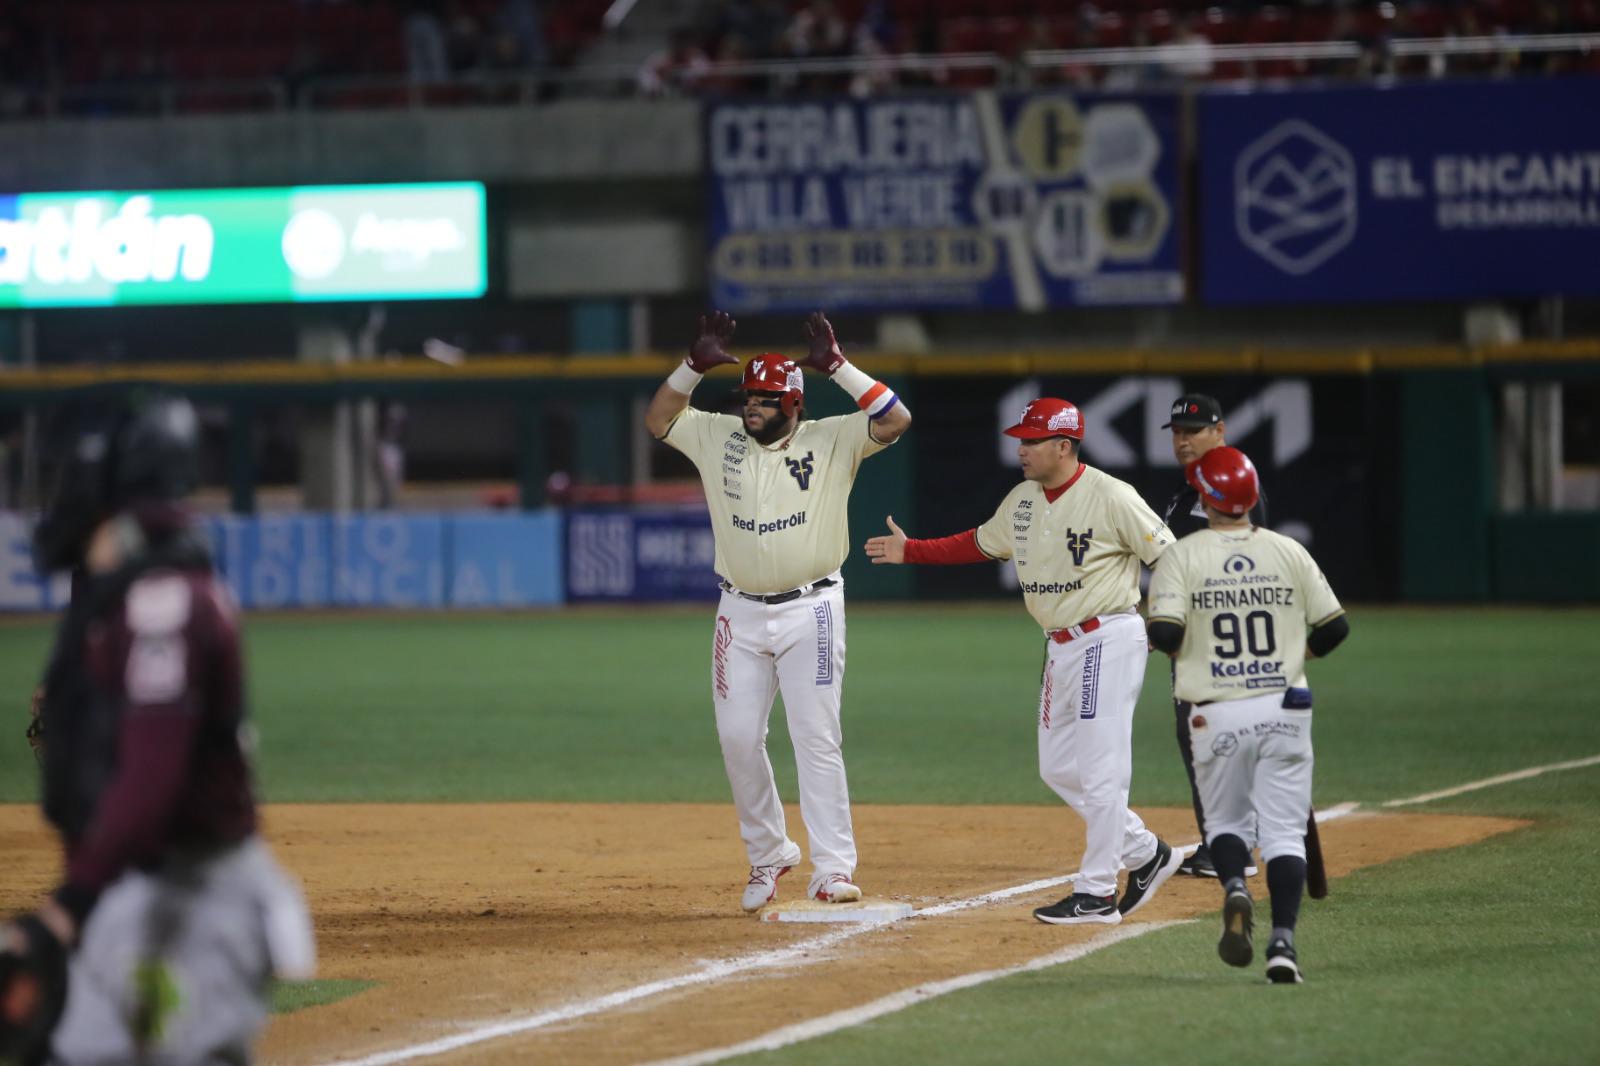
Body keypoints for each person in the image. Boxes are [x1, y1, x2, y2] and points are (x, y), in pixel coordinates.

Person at [0, 394, 315, 1066]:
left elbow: (152, 775)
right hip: (141, 897)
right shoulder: (128, 593)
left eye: (69, 475)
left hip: (190, 908)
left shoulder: (164, 600)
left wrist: (65, 910)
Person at [865, 398, 1185, 925]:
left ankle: (1098, 892)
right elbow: (981, 543)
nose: (1022, 449)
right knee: (1058, 766)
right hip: (1059, 644)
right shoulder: (1023, 500)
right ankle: (1147, 852)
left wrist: (1167, 618)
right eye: (1020, 438)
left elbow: (1170, 557)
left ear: (1065, 445)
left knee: (1103, 772)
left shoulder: (1111, 496)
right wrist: (914, 551)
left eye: (1032, 440)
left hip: (1107, 635)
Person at [644, 310, 911, 913]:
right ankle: (769, 853)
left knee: (816, 736)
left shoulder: (833, 438)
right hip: (737, 611)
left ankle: (834, 868)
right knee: (738, 737)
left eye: (766, 398)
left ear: (794, 405)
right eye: (749, 397)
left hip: (810, 607)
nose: (752, 406)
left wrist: (839, 367)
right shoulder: (718, 435)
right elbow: (659, 418)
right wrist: (691, 367)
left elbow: (895, 418)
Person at [1146, 446, 1348, 983]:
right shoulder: (1289, 551)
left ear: (1204, 499)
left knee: (1227, 824)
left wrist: (1188, 647)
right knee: (1283, 833)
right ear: (1252, 496)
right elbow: (1334, 629)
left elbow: (1164, 634)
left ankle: (1235, 887)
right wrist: (1292, 654)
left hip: (1217, 713)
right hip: (1286, 708)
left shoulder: (1182, 556)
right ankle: (1284, 945)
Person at [1159, 392, 1267, 878]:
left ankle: (1233, 845)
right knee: (1197, 739)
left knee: (1217, 739)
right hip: (1187, 643)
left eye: (1195, 431)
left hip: (1222, 644)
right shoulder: (1183, 496)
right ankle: (1221, 842)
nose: (1184, 440)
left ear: (1220, 432)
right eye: (1179, 432)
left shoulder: (1235, 492)